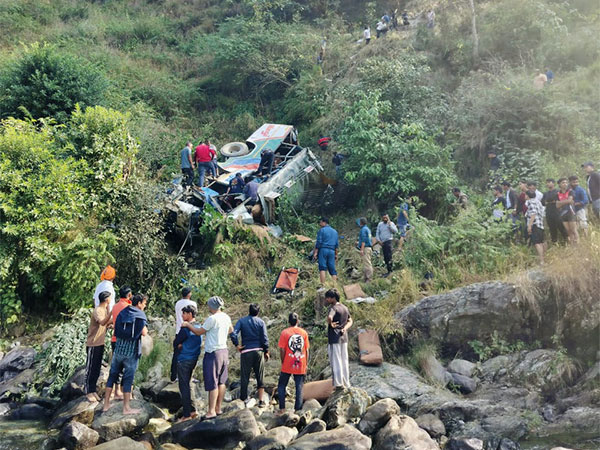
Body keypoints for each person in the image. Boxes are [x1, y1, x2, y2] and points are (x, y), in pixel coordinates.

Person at [183, 296, 233, 419]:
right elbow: (231, 330)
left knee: (213, 382)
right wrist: (220, 334)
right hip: (224, 350)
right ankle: (218, 408)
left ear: (212, 306)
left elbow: (199, 331)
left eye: (209, 305)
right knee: (222, 381)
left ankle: (211, 411)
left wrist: (188, 325)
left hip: (213, 352)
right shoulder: (226, 317)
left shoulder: (212, 319)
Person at [103, 293, 148, 414]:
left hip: (118, 349)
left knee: (112, 376)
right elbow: (144, 332)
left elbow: (116, 327)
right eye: (144, 304)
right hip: (131, 352)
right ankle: (126, 408)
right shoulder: (140, 315)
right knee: (128, 379)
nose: (144, 306)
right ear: (139, 303)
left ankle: (106, 404)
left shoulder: (123, 311)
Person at [230, 304, 269, 408]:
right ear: (258, 312)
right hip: (258, 351)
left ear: (249, 311)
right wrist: (266, 351)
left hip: (246, 351)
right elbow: (264, 338)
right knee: (260, 375)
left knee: (245, 376)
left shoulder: (242, 321)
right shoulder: (261, 322)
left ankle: (243, 399)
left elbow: (233, 333)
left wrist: (237, 345)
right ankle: (261, 401)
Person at [173, 305, 202, 422]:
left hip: (184, 359)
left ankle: (186, 414)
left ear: (190, 314)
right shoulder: (199, 327)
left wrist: (179, 345)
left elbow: (176, 342)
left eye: (184, 313)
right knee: (189, 384)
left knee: (183, 386)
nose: (182, 316)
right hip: (194, 359)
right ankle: (193, 410)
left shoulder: (185, 328)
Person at [277, 312, 309, 414]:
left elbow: (282, 350)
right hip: (301, 362)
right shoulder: (303, 333)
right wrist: (306, 363)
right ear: (297, 321)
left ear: (288, 322)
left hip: (288, 362)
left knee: (281, 385)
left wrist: (283, 362)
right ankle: (298, 410)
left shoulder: (285, 333)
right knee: (299, 386)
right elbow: (307, 350)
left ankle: (282, 408)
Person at [84, 291, 113, 403]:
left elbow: (106, 324)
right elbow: (101, 322)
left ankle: (93, 390)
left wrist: (112, 323)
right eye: (110, 298)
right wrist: (111, 313)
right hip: (93, 344)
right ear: (106, 299)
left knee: (96, 369)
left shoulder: (104, 310)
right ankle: (87, 391)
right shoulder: (98, 310)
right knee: (90, 368)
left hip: (100, 344)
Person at [109, 286, 133, 399]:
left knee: (116, 366)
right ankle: (123, 391)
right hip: (124, 341)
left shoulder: (115, 307)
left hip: (114, 339)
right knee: (126, 366)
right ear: (129, 295)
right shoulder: (128, 307)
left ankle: (117, 390)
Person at [325, 289, 352, 390]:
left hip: (334, 337)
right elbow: (350, 320)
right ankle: (346, 382)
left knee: (336, 360)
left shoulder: (333, 308)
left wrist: (330, 323)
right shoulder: (344, 308)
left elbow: (329, 317)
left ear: (333, 298)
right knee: (344, 360)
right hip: (344, 337)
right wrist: (345, 328)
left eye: (328, 297)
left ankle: (338, 383)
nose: (327, 299)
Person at [313, 217, 339, 285]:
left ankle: (323, 286)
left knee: (322, 267)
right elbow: (336, 245)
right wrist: (336, 254)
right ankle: (334, 286)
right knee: (332, 268)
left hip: (323, 250)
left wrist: (315, 252)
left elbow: (319, 242)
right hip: (332, 251)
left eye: (320, 222)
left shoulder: (322, 230)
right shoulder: (335, 232)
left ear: (324, 222)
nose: (320, 224)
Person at [542, 178, 568, 244]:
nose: (548, 184)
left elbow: (561, 200)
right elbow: (542, 202)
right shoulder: (546, 193)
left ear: (553, 183)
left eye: (549, 182)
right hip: (549, 213)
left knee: (561, 228)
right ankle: (555, 243)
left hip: (557, 212)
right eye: (547, 182)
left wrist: (553, 202)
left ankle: (567, 241)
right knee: (552, 229)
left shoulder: (558, 192)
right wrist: (548, 202)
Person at [556, 178, 579, 245]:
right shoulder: (557, 193)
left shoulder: (570, 191)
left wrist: (561, 202)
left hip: (571, 212)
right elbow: (557, 205)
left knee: (573, 230)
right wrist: (566, 201)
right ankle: (572, 245)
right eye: (563, 182)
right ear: (559, 184)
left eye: (566, 182)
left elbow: (569, 201)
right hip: (562, 213)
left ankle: (578, 245)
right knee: (568, 231)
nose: (565, 184)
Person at [526, 190, 546, 264]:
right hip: (540, 224)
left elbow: (533, 214)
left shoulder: (530, 202)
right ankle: (543, 258)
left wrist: (529, 226)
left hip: (535, 224)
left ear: (527, 196)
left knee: (537, 243)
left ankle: (541, 260)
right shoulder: (538, 202)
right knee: (541, 242)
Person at [357, 217, 373, 283]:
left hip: (365, 248)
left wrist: (361, 249)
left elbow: (363, 240)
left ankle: (369, 279)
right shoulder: (368, 229)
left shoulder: (363, 229)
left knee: (367, 264)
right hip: (369, 247)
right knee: (367, 263)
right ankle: (366, 278)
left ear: (361, 222)